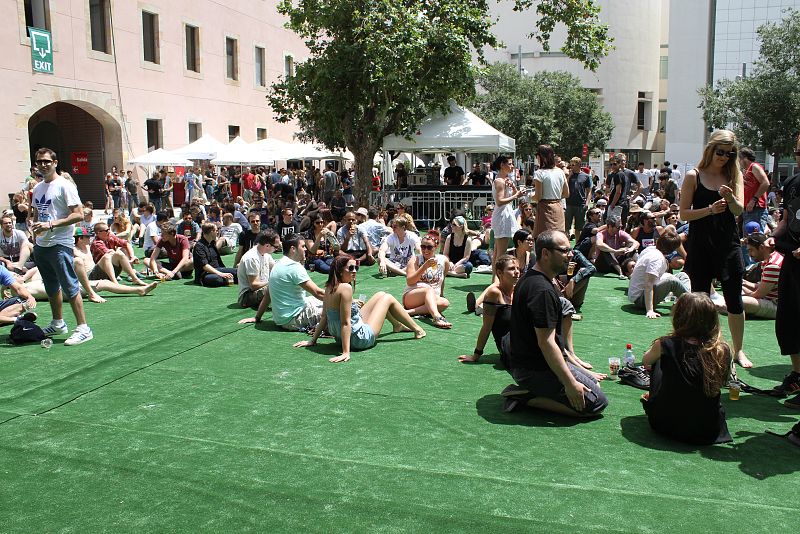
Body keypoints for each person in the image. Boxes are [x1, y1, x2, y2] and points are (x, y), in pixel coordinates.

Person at [502, 230, 608, 417]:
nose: (570, 255)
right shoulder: (541, 290)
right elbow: (547, 343)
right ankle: (524, 398)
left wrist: (575, 367)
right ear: (545, 254)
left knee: (594, 385)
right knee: (595, 404)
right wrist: (570, 383)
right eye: (565, 251)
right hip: (533, 369)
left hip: (531, 362)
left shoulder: (533, 279)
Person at [679, 129, 749, 367]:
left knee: (734, 301)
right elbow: (683, 213)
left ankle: (738, 350)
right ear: (710, 149)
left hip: (728, 245)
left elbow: (739, 210)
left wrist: (730, 199)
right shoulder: (693, 175)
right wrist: (710, 209)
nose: (724, 158)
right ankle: (700, 345)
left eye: (730, 154)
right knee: (699, 300)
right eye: (721, 152)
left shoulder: (734, 174)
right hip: (701, 246)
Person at [293, 255, 425, 362]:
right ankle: (417, 329)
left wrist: (313, 341)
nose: (355, 271)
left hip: (341, 337)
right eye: (350, 268)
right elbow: (346, 322)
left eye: (356, 267)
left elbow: (324, 317)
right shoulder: (346, 288)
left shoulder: (329, 287)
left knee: (380, 295)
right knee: (388, 298)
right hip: (359, 339)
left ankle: (397, 325)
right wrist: (346, 352)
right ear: (339, 271)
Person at [641, 292, 732, 445]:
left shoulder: (665, 344)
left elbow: (646, 361)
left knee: (658, 362)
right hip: (709, 429)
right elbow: (723, 381)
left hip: (667, 425)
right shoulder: (722, 349)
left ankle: (661, 401)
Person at [29, 147, 92, 345]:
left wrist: (50, 224)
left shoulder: (65, 185)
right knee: (51, 286)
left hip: (60, 244)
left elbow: (78, 214)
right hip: (42, 244)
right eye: (40, 162)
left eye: (47, 161)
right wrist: (36, 228)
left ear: (55, 163)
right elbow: (38, 213)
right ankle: (58, 323)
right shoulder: (38, 188)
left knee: (70, 286)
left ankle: (83, 328)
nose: (43, 164)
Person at [769, 132, 800, 406]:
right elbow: (786, 219)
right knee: (788, 321)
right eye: (798, 152)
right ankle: (798, 375)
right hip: (792, 258)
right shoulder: (792, 182)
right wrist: (773, 234)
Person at [458, 255, 519, 363]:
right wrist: (476, 355)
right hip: (510, 347)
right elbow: (487, 327)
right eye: (511, 269)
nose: (516, 272)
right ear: (500, 273)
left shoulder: (519, 291)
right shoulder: (494, 293)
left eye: (518, 268)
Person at [627, 227, 690, 318]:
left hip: (641, 294)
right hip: (640, 300)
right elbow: (649, 284)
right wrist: (650, 310)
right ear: (672, 250)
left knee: (682, 275)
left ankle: (679, 303)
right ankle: (693, 303)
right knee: (672, 280)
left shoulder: (650, 249)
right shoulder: (657, 258)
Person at [716, 232, 781, 319]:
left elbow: (759, 294)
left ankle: (722, 306)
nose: (750, 255)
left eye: (751, 250)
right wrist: (744, 283)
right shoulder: (768, 260)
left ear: (761, 247)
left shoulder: (772, 266)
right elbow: (762, 287)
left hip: (777, 306)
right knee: (737, 288)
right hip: (769, 298)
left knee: (740, 301)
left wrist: (740, 296)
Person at [268, 233, 325, 331]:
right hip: (294, 318)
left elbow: (267, 294)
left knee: (320, 301)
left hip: (281, 318)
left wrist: (257, 317)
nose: (306, 249)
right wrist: (347, 301)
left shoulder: (278, 264)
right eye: (303, 246)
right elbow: (318, 293)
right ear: (293, 249)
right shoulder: (293, 267)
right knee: (339, 311)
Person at [402, 234, 451, 329]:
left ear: (436, 247)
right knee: (428, 289)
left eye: (429, 247)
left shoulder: (444, 260)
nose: (425, 250)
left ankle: (409, 312)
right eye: (423, 247)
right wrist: (424, 266)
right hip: (412, 295)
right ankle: (436, 317)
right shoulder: (415, 259)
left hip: (432, 297)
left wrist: (441, 295)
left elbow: (442, 280)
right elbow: (410, 281)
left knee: (444, 302)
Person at [490, 155, 526, 276]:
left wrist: (514, 188)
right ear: (502, 165)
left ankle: (495, 280)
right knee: (500, 252)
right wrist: (516, 195)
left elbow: (516, 195)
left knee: (497, 252)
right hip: (502, 215)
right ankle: (497, 281)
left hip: (506, 214)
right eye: (509, 164)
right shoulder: (499, 181)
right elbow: (500, 201)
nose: (512, 166)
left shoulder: (505, 179)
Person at [237, 230, 279, 310]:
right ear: (267, 246)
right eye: (276, 247)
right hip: (247, 297)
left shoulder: (266, 254)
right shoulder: (252, 258)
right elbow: (253, 285)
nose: (277, 249)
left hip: (260, 290)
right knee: (276, 286)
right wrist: (273, 282)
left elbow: (276, 269)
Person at [532, 145, 569, 238]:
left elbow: (538, 196)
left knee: (544, 239)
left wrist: (529, 196)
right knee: (558, 238)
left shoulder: (539, 173)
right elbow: (566, 193)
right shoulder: (560, 171)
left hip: (545, 209)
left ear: (541, 157)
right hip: (558, 207)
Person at [739, 147, 770, 232]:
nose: (739, 161)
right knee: (748, 241)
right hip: (749, 210)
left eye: (739, 159)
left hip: (756, 209)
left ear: (745, 158)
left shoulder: (754, 166)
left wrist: (753, 200)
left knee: (755, 240)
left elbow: (765, 183)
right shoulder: (746, 171)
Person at [565, 157, 592, 239]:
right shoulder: (569, 175)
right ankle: (566, 246)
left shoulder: (586, 176)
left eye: (573, 164)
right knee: (566, 227)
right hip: (568, 204)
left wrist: (587, 203)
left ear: (579, 165)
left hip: (580, 204)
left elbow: (589, 191)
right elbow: (564, 186)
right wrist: (569, 176)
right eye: (571, 164)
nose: (571, 166)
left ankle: (578, 246)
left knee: (579, 228)